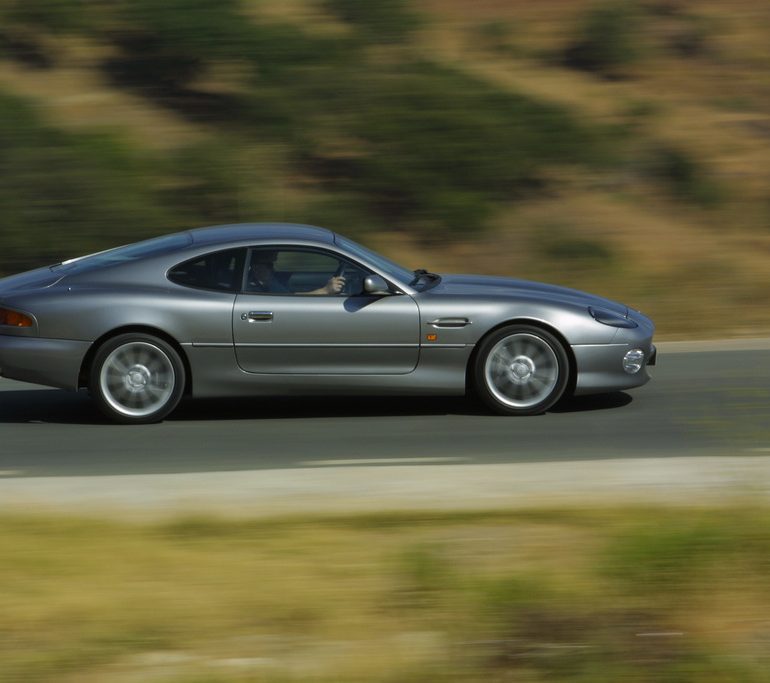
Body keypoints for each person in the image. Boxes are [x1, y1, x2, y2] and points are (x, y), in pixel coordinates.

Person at [248, 251, 346, 295]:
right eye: (269, 264)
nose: (272, 268)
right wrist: (325, 291)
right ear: (257, 267)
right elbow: (291, 298)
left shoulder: (264, 281)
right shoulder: (257, 287)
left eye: (272, 265)